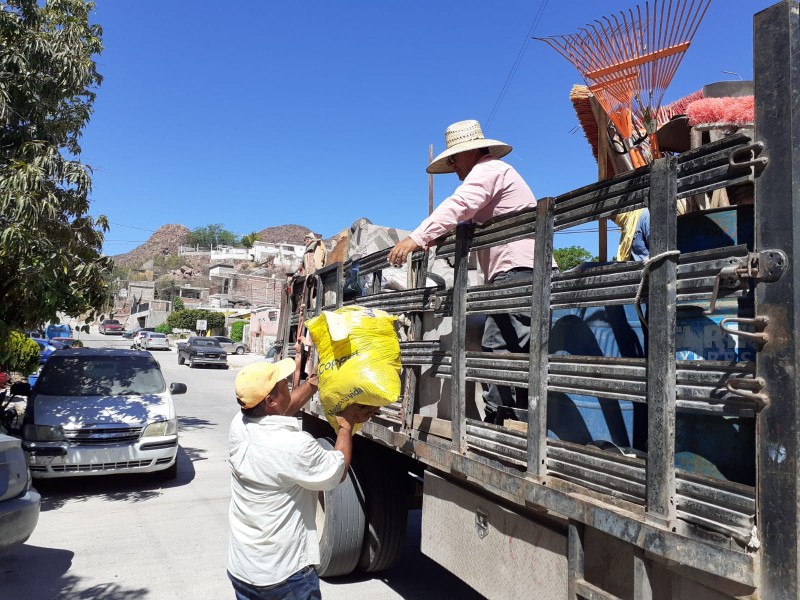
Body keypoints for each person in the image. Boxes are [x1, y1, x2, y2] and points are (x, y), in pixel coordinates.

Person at [388, 119, 554, 425]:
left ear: (472, 152)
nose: (453, 166)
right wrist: (440, 234)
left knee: (499, 347)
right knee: (512, 349)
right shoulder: (492, 175)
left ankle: (501, 424)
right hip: (518, 272)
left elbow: (460, 205)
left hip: (518, 271)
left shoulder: (488, 171)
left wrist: (418, 237)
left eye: (454, 158)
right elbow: (467, 218)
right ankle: (513, 422)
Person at [227, 359, 377, 600]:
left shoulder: (240, 425)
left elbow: (282, 409)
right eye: (283, 384)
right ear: (270, 401)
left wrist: (313, 383)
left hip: (243, 569)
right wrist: (346, 426)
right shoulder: (293, 446)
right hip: (283, 577)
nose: (288, 384)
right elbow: (338, 472)